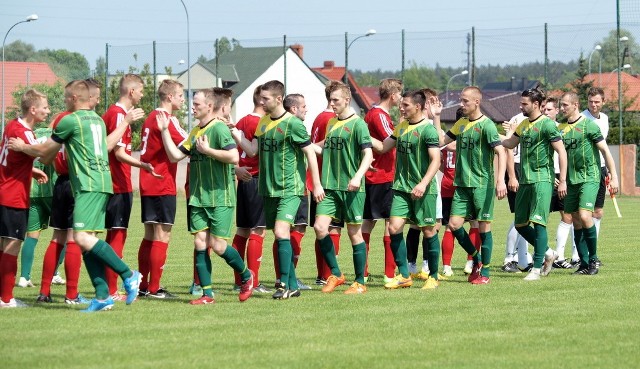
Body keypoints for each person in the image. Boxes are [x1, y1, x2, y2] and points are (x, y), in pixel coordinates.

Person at [9, 80, 142, 312]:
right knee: (84, 241)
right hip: (101, 183)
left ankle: (129, 274)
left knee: (79, 238)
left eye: (65, 98)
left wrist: (22, 147)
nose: (62, 102)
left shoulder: (70, 120)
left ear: (73, 99)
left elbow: (43, 151)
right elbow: (101, 146)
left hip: (88, 185)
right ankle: (102, 296)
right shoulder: (97, 120)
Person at [158, 87, 254, 304]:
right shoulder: (195, 132)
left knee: (218, 245)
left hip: (220, 197)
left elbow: (232, 156)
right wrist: (164, 130)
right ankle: (207, 294)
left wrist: (208, 151)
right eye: (192, 103)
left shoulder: (219, 129)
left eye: (197, 104)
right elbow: (174, 157)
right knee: (200, 243)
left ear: (210, 106)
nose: (193, 107)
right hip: (199, 197)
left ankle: (246, 277)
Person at [231, 81, 323, 300]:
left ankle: (283, 284)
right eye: (260, 99)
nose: (261, 102)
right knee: (277, 234)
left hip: (290, 189)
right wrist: (234, 132)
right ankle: (292, 284)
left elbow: (310, 153)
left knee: (282, 232)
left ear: (278, 99)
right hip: (268, 189)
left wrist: (316, 184)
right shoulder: (263, 122)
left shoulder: (293, 124)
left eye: (265, 99)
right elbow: (253, 150)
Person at [36, 78, 103, 305]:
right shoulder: (80, 120)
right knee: (75, 238)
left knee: (58, 238)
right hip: (77, 183)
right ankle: (71, 294)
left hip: (60, 182)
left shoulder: (60, 120)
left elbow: (49, 152)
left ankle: (44, 291)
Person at [371, 90, 442, 289]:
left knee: (428, 231)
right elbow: (383, 147)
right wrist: (362, 132)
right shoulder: (401, 127)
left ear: (418, 107)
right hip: (401, 188)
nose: (401, 108)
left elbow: (436, 160)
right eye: (401, 104)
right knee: (394, 228)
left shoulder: (428, 130)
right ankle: (404, 275)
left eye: (406, 105)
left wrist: (423, 183)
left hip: (423, 190)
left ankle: (433, 277)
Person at [438, 86, 507, 285]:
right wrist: (436, 117)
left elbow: (501, 152)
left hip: (482, 185)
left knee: (484, 227)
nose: (462, 104)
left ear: (477, 102)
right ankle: (476, 258)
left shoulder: (487, 125)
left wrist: (500, 180)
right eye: (461, 100)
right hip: (461, 185)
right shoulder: (460, 124)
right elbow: (442, 140)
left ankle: (485, 271)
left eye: (465, 101)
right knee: (454, 225)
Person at [313, 81, 373, 294]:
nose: (332, 104)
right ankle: (337, 274)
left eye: (335, 100)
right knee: (320, 228)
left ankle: (359, 283)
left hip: (352, 188)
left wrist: (357, 177)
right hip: (330, 187)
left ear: (347, 100)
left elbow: (368, 154)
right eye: (330, 100)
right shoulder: (331, 124)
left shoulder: (358, 124)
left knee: (354, 233)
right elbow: (324, 150)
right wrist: (306, 145)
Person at [502, 88, 568, 281]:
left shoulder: (547, 125)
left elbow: (561, 152)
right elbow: (508, 144)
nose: (520, 106)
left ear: (537, 105)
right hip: (525, 181)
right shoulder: (523, 124)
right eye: (521, 103)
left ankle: (536, 269)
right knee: (521, 224)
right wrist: (490, 135)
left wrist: (562, 180)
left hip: (542, 180)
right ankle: (548, 252)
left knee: (539, 223)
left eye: (524, 104)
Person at [102, 73, 157, 300]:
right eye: (142, 91)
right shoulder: (118, 115)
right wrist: (143, 164)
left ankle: (108, 287)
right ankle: (112, 290)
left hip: (117, 183)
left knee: (115, 235)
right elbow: (117, 152)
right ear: (132, 91)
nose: (143, 95)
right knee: (116, 236)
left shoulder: (117, 114)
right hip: (117, 184)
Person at [136, 79, 187, 298]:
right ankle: (155, 288)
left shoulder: (150, 117)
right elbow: (189, 142)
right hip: (162, 182)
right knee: (162, 235)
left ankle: (143, 285)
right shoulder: (167, 119)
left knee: (149, 234)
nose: (183, 100)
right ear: (169, 97)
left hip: (148, 182)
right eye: (181, 96)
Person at [558, 91, 619, 275]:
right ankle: (583, 263)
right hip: (571, 180)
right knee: (575, 219)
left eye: (565, 105)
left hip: (590, 177)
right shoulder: (561, 128)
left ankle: (593, 260)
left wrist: (614, 177)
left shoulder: (589, 126)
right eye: (561, 105)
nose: (562, 108)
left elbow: (606, 152)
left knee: (586, 216)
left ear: (575, 105)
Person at [0, 89, 50, 308]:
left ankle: (2, 296)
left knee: (3, 246)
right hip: (14, 197)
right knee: (12, 246)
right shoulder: (25, 132)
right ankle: (7, 299)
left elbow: (12, 159)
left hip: (4, 190)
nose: (47, 111)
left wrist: (31, 171)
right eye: (45, 107)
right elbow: (44, 153)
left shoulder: (11, 124)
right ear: (33, 109)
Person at [230, 85, 270, 294]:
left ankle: (240, 280)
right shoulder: (259, 123)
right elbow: (253, 152)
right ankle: (253, 280)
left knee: (243, 230)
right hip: (255, 178)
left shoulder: (242, 121)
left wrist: (234, 168)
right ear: (262, 100)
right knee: (257, 230)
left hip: (243, 180)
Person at [362, 78, 403, 283]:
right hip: (384, 175)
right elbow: (389, 143)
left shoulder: (373, 113)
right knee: (389, 222)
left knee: (368, 222)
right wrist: (404, 124)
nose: (401, 98)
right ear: (393, 95)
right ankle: (389, 274)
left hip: (375, 175)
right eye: (400, 94)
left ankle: (364, 272)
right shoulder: (379, 115)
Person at [307, 83, 343, 285]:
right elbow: (324, 146)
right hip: (328, 180)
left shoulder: (319, 117)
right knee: (333, 228)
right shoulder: (332, 120)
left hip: (316, 178)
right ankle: (330, 274)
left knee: (320, 228)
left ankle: (322, 274)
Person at [17, 123, 57, 289]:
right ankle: (54, 274)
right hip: (52, 190)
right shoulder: (57, 135)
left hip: (32, 191)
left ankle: (24, 277)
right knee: (62, 233)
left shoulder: (31, 134)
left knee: (31, 235)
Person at [281, 93, 312, 290]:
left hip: (285, 185)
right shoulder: (295, 125)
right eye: (303, 106)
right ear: (294, 109)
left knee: (282, 230)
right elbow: (308, 151)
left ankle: (283, 276)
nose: (306, 109)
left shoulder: (280, 124)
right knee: (295, 228)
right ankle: (289, 276)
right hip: (297, 186)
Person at [544, 97, 578, 269]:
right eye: (544, 109)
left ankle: (559, 256)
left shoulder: (561, 129)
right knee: (535, 217)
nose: (546, 112)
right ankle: (517, 257)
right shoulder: (540, 127)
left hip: (561, 176)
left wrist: (563, 177)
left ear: (556, 111)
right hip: (546, 176)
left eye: (550, 109)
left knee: (567, 215)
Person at [501, 112, 532, 273]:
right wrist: (512, 176)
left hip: (529, 169)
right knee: (520, 216)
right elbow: (509, 149)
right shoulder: (518, 119)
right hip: (518, 168)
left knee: (527, 217)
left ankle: (523, 258)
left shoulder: (543, 121)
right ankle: (509, 258)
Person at [582, 87, 608, 269]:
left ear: (603, 102)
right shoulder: (582, 118)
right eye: (591, 101)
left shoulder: (605, 119)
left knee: (598, 212)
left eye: (597, 101)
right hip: (584, 172)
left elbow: (603, 147)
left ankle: (594, 253)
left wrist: (609, 172)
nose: (594, 105)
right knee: (582, 215)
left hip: (600, 170)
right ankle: (578, 255)